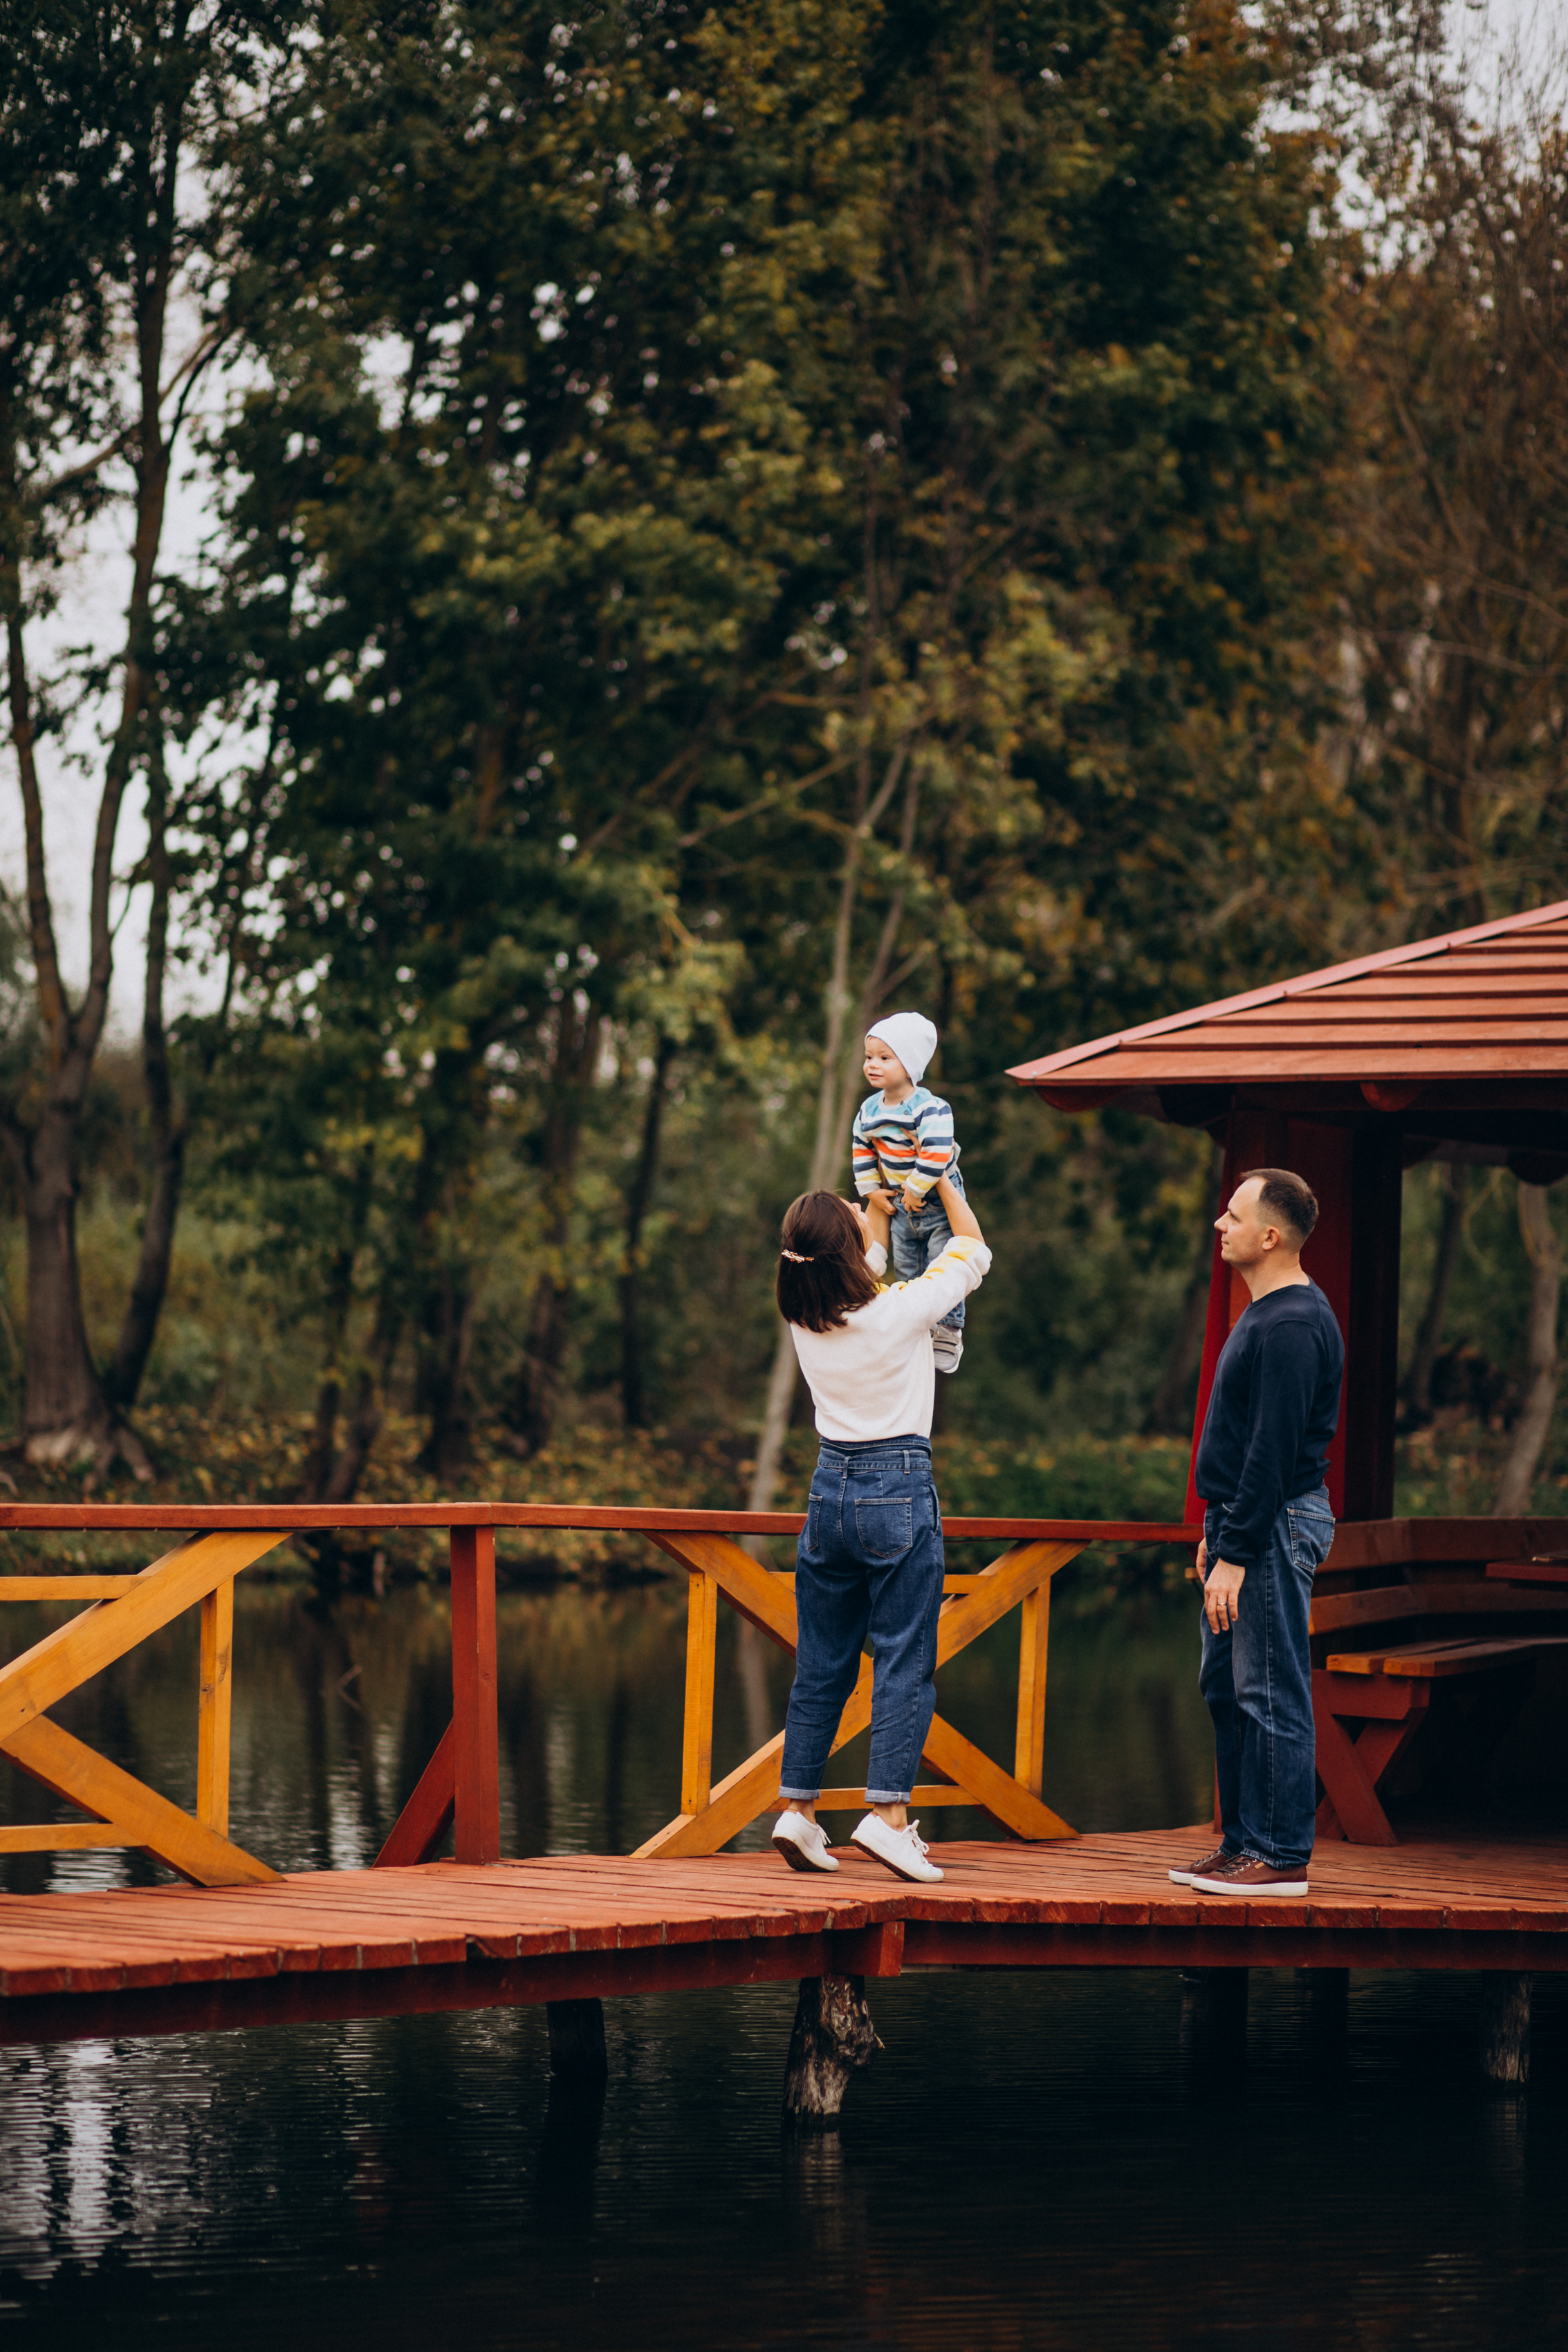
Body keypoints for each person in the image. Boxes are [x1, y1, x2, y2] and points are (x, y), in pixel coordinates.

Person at [770, 1172, 990, 1884]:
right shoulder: (894, 1311)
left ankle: (797, 1809)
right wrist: (948, 1184)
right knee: (903, 1656)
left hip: (827, 1489)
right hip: (893, 1485)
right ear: (846, 1252)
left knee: (821, 1661)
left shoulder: (805, 1313)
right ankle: (888, 1817)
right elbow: (973, 1253)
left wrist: (873, 1199)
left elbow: (860, 1256)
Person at [1171, 1168, 1345, 1900]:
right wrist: (1216, 1531)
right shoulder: (1265, 1312)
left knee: (1268, 1687)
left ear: (1268, 1236)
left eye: (1233, 1214)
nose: (1219, 1223)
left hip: (1272, 1523)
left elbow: (1273, 1450)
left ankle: (1280, 1853)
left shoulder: (1294, 1323)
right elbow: (1244, 1446)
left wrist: (1236, 1550)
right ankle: (1242, 1841)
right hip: (1243, 1520)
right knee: (1224, 1685)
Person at [851, 1013, 968, 1374]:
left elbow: (936, 1154)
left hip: (934, 1195)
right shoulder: (869, 1110)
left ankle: (949, 1329)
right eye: (870, 1056)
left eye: (885, 1058)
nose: (873, 1065)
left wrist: (917, 1189)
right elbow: (861, 1149)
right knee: (907, 1265)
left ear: (910, 1064)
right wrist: (871, 1192)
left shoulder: (930, 1108)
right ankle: (919, 1329)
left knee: (942, 1258)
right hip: (900, 1198)